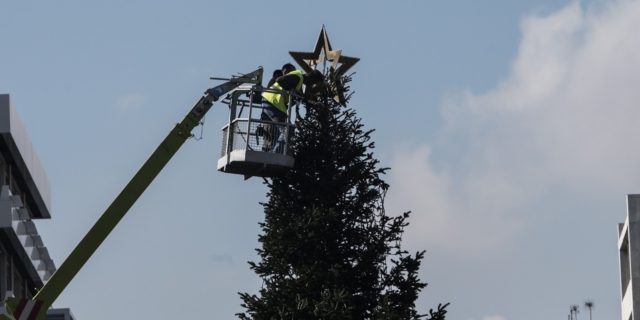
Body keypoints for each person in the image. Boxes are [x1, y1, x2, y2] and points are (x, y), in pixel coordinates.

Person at [260, 68, 324, 153]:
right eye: (313, 83)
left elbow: (302, 97)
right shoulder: (297, 77)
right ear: (311, 79)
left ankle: (273, 152)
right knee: (287, 130)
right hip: (273, 102)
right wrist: (292, 90)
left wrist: (315, 103)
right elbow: (279, 80)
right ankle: (274, 154)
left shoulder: (299, 81)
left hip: (271, 103)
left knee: (282, 131)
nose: (311, 85)